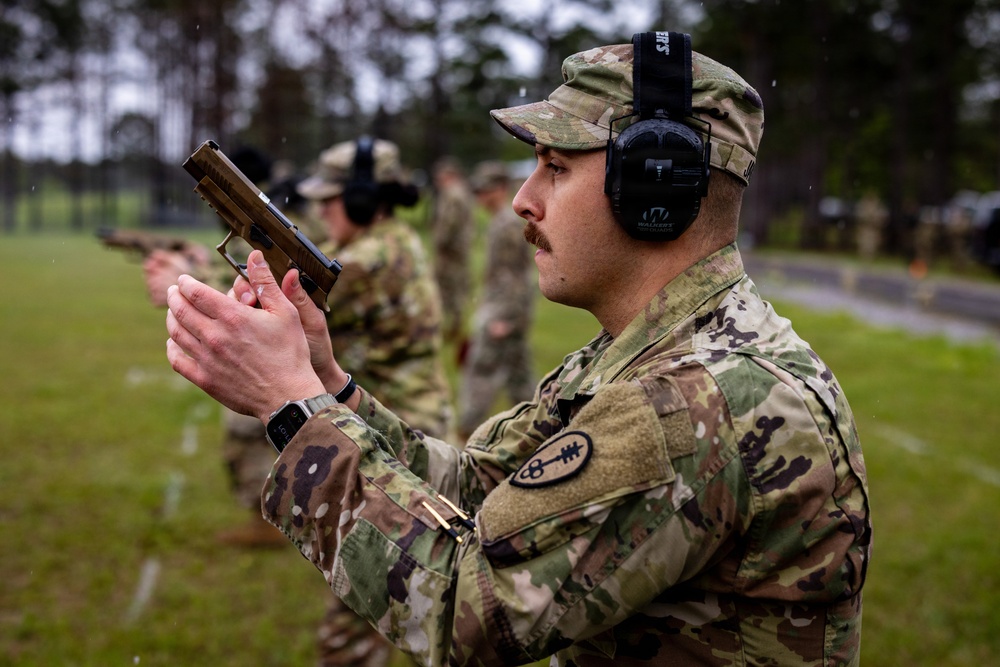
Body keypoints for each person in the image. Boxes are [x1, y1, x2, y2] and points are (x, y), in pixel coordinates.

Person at [165, 33, 872, 666]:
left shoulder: (689, 400)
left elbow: (464, 613)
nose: (521, 201)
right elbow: (477, 493)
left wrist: (292, 412)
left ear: (656, 185)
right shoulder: (644, 353)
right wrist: (327, 384)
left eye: (556, 169)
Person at [457, 160, 536, 440]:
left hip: (502, 313)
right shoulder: (500, 222)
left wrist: (506, 318)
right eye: (477, 191)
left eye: (485, 190)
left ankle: (466, 430)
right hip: (504, 310)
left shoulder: (506, 225)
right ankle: (537, 427)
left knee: (481, 371)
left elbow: (517, 275)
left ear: (501, 189)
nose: (480, 197)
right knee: (519, 376)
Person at [430, 156, 475, 343]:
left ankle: (451, 326)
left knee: (449, 286)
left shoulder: (452, 194)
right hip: (459, 248)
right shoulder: (462, 191)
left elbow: (449, 223)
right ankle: (452, 324)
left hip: (450, 250)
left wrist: (439, 242)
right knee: (455, 285)